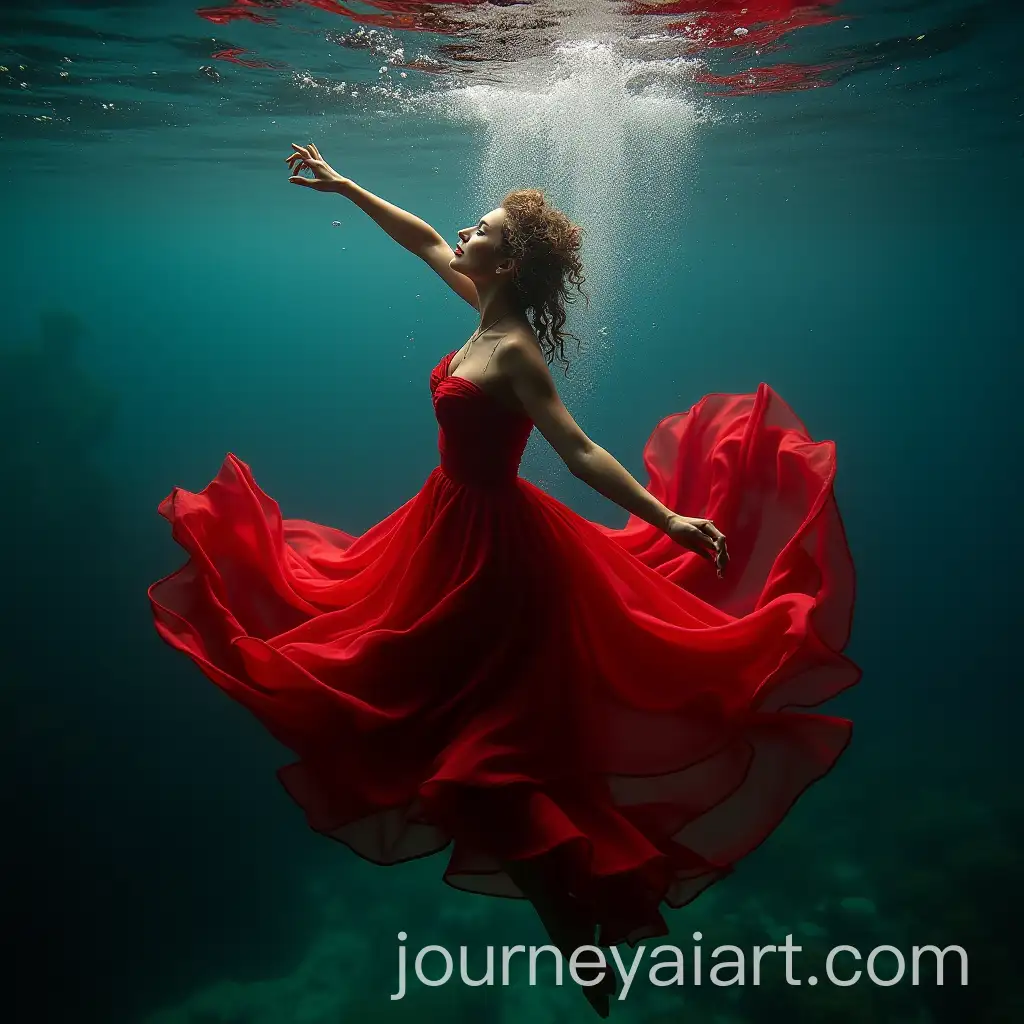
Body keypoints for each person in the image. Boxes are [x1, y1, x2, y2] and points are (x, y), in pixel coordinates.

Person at [148, 143, 860, 1018]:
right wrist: (343, 182)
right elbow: (419, 240)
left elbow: (579, 448)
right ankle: (579, 917)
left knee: (488, 759)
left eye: (479, 230)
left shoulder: (514, 349)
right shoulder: (480, 306)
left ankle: (580, 930)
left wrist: (665, 519)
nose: (462, 232)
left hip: (495, 556)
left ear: (510, 260)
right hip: (443, 528)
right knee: (422, 707)